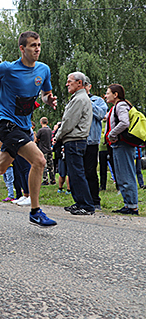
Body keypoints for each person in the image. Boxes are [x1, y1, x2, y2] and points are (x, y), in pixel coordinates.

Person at [0, 31, 57, 227]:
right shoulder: (8, 68)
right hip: (7, 124)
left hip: (24, 127)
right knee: (39, 160)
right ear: (22, 49)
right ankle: (35, 211)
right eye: (32, 45)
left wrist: (49, 100)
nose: (37, 49)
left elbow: (45, 95)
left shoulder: (43, 69)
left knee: (0, 168)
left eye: (39, 45)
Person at [54, 72, 95, 215]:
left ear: (79, 83)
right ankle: (79, 203)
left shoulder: (79, 99)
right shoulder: (80, 98)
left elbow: (68, 122)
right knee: (74, 173)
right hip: (75, 140)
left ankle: (87, 205)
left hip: (75, 140)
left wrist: (57, 136)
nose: (67, 84)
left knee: (77, 173)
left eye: (69, 81)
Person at [104, 84, 139, 215]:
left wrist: (112, 134)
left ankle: (132, 206)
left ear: (115, 94)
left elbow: (124, 122)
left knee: (126, 174)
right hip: (119, 145)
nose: (106, 95)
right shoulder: (116, 107)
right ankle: (128, 204)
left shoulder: (121, 105)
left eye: (107, 93)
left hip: (123, 144)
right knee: (121, 175)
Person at [83, 76, 108, 210]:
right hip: (77, 141)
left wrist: (87, 101)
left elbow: (100, 114)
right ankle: (82, 200)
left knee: (90, 171)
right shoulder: (75, 100)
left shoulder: (97, 100)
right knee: (79, 173)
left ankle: (95, 201)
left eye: (85, 85)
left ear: (89, 86)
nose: (83, 88)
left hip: (91, 141)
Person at [36, 117, 54, 185]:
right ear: (47, 122)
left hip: (43, 149)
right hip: (49, 149)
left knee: (44, 166)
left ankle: (45, 180)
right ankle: (53, 180)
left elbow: (36, 139)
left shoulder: (41, 130)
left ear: (41, 122)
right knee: (51, 165)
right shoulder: (50, 130)